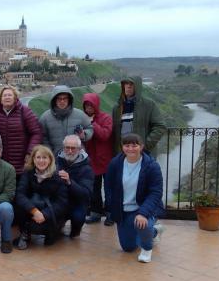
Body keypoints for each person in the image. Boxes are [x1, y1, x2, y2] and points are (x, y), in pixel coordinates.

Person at [105, 133, 165, 263]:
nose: (131, 149)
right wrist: (111, 207)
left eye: (134, 145)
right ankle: (154, 231)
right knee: (128, 247)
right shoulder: (115, 164)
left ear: (141, 147)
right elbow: (108, 186)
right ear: (122, 147)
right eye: (127, 145)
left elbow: (156, 192)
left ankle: (147, 248)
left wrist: (143, 213)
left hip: (142, 208)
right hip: (123, 209)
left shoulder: (151, 166)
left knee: (142, 225)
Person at [15, 145, 69, 249]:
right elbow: (20, 194)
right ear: (33, 159)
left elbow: (62, 203)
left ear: (50, 160)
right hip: (33, 208)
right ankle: (26, 232)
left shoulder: (58, 175)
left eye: (44, 158)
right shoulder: (28, 172)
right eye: (38, 157)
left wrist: (45, 214)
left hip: (50, 211)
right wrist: (34, 211)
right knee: (17, 208)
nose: (41, 161)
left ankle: (52, 232)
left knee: (42, 231)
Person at [0, 86, 41, 176]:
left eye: (10, 95)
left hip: (22, 164)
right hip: (1, 164)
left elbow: (36, 133)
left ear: (15, 98)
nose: (7, 97)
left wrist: (30, 153)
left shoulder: (24, 111)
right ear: (0, 99)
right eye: (4, 95)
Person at [82, 93, 114, 225]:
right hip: (91, 159)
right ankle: (95, 212)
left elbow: (105, 135)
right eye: (86, 106)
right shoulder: (83, 119)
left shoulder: (106, 118)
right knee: (94, 188)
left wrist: (93, 124)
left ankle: (111, 214)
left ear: (96, 105)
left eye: (91, 105)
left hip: (106, 159)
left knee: (109, 189)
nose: (88, 108)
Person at [112, 77, 166, 155]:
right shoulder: (117, 107)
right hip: (123, 153)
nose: (128, 86)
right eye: (126, 84)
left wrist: (145, 146)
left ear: (137, 87)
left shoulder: (149, 105)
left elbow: (160, 126)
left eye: (131, 84)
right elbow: (115, 132)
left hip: (143, 154)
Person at [56, 134, 94, 238]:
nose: (70, 151)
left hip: (77, 202)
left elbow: (86, 194)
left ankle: (76, 230)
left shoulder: (87, 168)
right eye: (67, 148)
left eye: (73, 148)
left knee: (78, 217)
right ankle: (58, 225)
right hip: (59, 200)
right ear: (63, 148)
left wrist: (69, 182)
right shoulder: (55, 161)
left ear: (79, 149)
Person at [39, 85, 93, 156]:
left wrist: (84, 134)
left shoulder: (80, 115)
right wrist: (49, 152)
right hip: (55, 159)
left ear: (69, 99)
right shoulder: (45, 117)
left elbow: (90, 128)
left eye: (65, 98)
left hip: (77, 157)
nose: (62, 101)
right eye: (59, 99)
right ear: (54, 100)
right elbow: (43, 138)